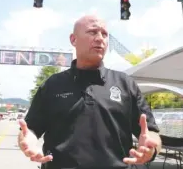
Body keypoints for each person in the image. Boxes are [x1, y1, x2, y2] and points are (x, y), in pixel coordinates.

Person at [18, 15, 162, 169]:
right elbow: (30, 129)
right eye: (93, 32)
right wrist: (27, 142)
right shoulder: (52, 85)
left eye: (104, 34)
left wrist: (151, 149)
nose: (100, 39)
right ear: (73, 40)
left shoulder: (125, 83)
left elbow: (151, 133)